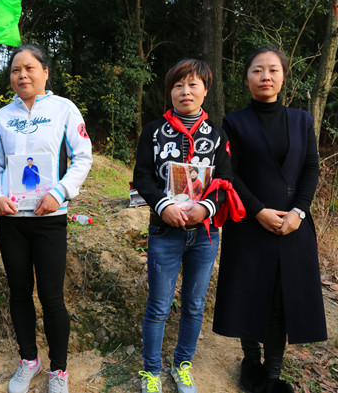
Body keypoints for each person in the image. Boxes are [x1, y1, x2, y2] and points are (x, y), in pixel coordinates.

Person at [213, 47, 327, 393]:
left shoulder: (302, 121)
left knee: (281, 300)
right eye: (257, 70)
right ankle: (251, 362)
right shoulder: (234, 123)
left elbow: (311, 168)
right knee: (249, 294)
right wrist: (257, 210)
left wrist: (299, 211)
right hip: (249, 222)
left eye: (273, 70)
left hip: (293, 225)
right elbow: (228, 173)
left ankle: (273, 374)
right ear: (247, 78)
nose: (266, 76)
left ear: (283, 77)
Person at [0, 44, 93, 393]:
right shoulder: (2, 116)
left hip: (49, 217)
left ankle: (58, 369)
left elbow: (82, 157)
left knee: (51, 295)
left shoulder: (64, 109)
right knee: (19, 292)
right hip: (11, 218)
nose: (22, 75)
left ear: (45, 72)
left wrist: (59, 193)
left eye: (29, 68)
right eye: (15, 70)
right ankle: (29, 360)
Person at [134, 59, 238, 393]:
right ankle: (151, 370)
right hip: (164, 232)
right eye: (178, 85)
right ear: (170, 92)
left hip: (204, 235)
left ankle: (182, 364)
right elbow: (142, 177)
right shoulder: (153, 131)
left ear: (206, 90)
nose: (185, 91)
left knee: (194, 305)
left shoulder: (217, 135)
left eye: (193, 84)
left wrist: (206, 208)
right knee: (158, 306)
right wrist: (163, 206)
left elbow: (226, 180)